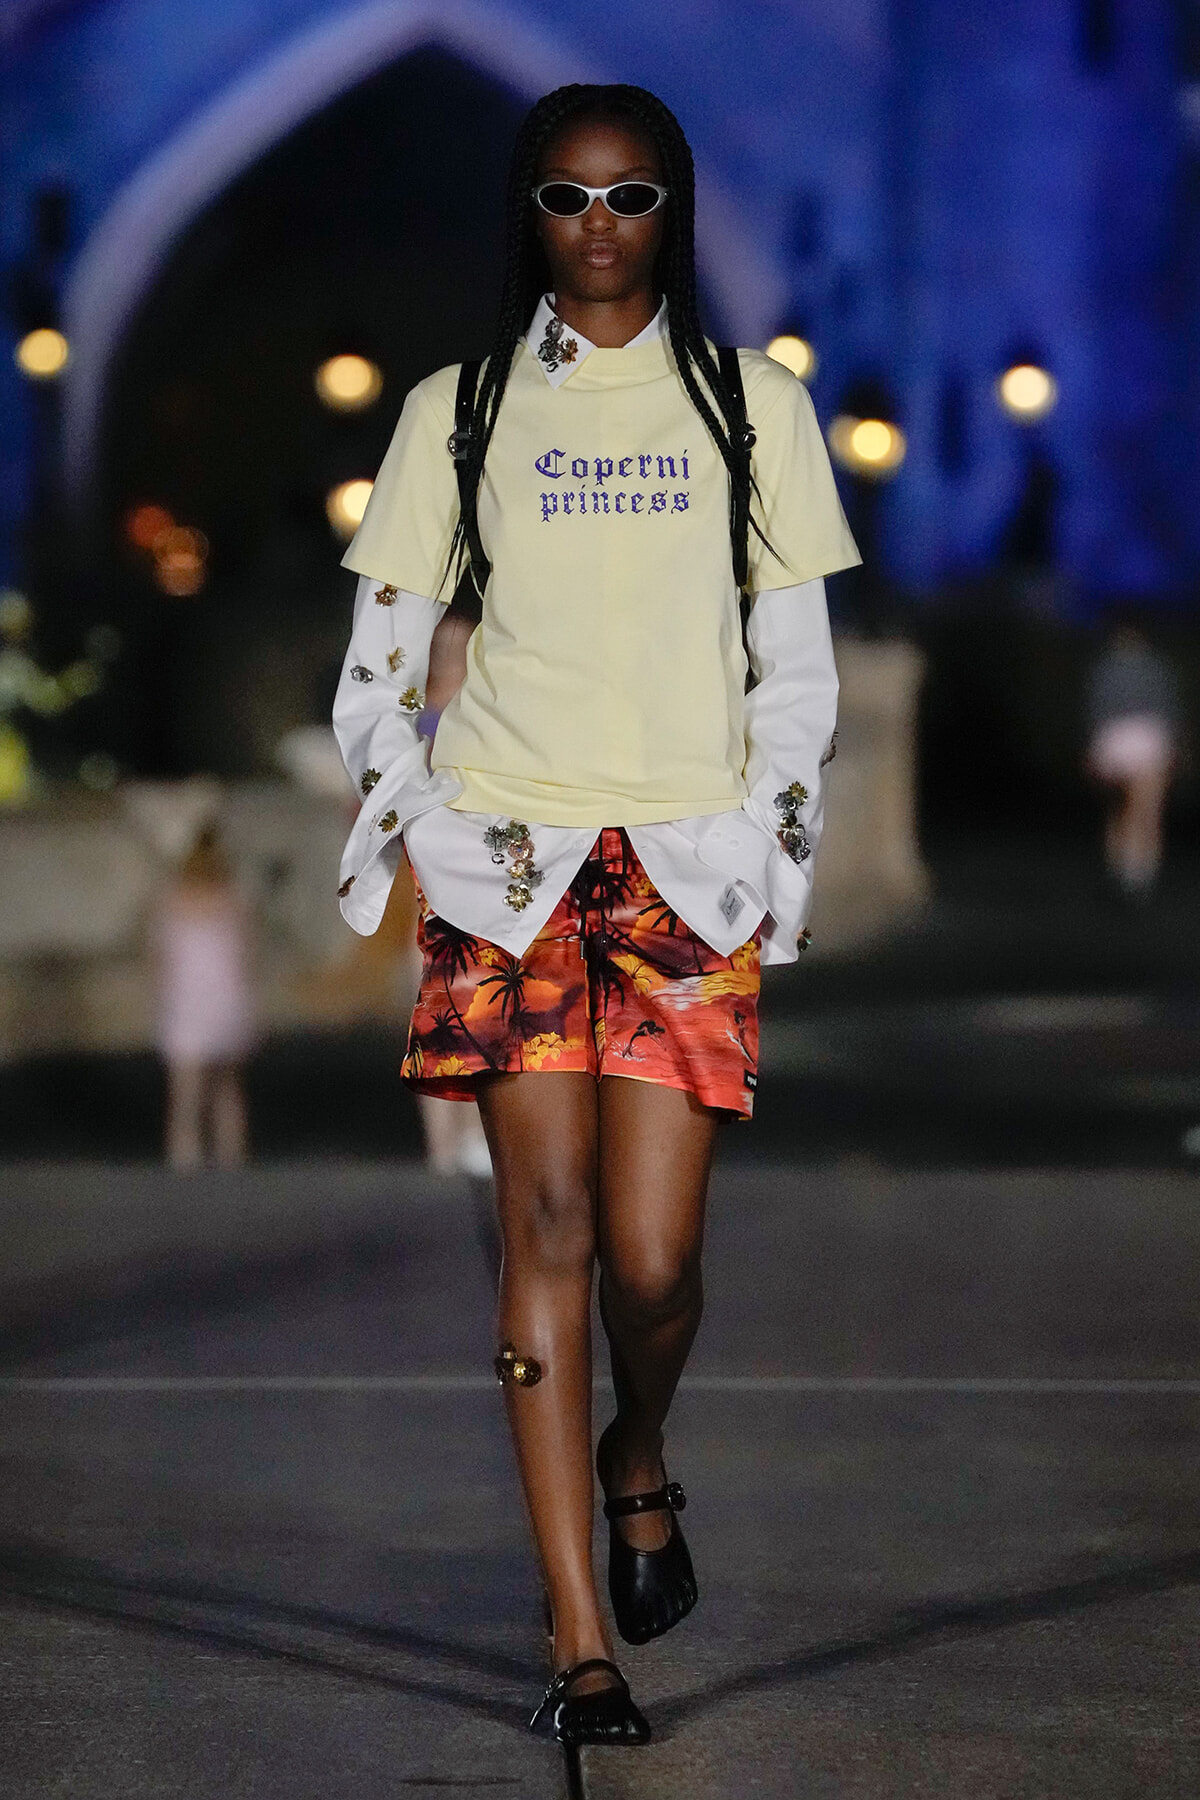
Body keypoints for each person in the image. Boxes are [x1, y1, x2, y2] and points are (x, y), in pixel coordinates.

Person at [331, 83, 859, 1745]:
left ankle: (640, 1449)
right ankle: (579, 1642)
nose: (600, 226)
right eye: (566, 196)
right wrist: (426, 824)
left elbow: (797, 670)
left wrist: (769, 850)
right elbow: (379, 663)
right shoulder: (461, 410)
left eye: (631, 195)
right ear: (530, 214)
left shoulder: (754, 409)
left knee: (655, 1260)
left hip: (686, 868)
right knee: (543, 1228)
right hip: (511, 868)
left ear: (672, 210)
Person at [154, 821, 254, 1169]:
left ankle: (186, 1169)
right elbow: (246, 956)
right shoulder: (233, 901)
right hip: (226, 1001)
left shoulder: (171, 901)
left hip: (186, 1004)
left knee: (186, 1097)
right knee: (227, 1091)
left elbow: (159, 959)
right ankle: (232, 1166)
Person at [1085, 618, 1181, 902]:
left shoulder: (1105, 668)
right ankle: (1138, 873)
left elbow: (1095, 710)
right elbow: (1168, 708)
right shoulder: (1156, 668)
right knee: (1144, 810)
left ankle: (1124, 871)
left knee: (1121, 810)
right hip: (1146, 740)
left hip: (1114, 742)